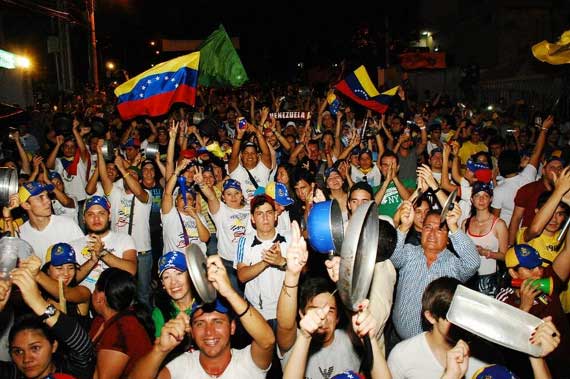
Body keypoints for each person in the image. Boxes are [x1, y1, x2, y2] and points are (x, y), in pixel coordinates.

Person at [128, 255, 275, 379]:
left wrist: (229, 292)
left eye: (217, 322)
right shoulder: (182, 366)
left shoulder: (247, 362)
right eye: (199, 324)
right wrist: (160, 350)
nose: (209, 331)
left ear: (232, 327)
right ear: (191, 330)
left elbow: (267, 340)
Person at [390, 200, 480, 340]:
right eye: (428, 227)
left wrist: (454, 227)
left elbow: (473, 263)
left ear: (449, 238)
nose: (432, 233)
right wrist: (404, 227)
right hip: (398, 340)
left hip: (436, 346)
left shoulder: (454, 265)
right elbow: (393, 257)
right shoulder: (408, 253)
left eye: (440, 229)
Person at [0, 262, 95, 379]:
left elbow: (83, 345)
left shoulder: (71, 370)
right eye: (18, 351)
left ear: (54, 346)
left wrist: (37, 302)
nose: (26, 359)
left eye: (35, 348)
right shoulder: (11, 374)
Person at [388, 277, 488, 379]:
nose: (462, 325)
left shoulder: (486, 354)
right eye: (452, 319)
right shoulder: (403, 356)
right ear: (431, 317)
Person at [496, 241, 570, 379]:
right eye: (530, 268)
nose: (538, 272)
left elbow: (568, 251)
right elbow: (507, 340)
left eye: (539, 266)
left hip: (565, 361)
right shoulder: (505, 298)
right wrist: (525, 307)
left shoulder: (549, 278)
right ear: (513, 272)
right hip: (536, 370)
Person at [97, 142, 153, 309]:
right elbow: (104, 176)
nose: (131, 178)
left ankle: (146, 327)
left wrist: (123, 169)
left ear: (140, 180)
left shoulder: (146, 195)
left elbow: (138, 191)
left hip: (142, 253)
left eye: (134, 176)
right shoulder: (115, 193)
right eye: (128, 176)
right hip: (119, 253)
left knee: (142, 293)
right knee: (118, 293)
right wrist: (99, 154)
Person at [89, 268, 154, 379]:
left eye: (94, 290)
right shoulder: (101, 319)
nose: (92, 294)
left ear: (100, 298)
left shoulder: (123, 329)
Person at [194, 169, 252, 293]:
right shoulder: (221, 211)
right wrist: (201, 184)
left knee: (250, 297)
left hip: (248, 261)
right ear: (223, 197)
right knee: (233, 298)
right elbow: (211, 196)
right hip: (228, 263)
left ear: (241, 195)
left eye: (236, 193)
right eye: (229, 194)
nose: (233, 197)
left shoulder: (250, 209)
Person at [236, 194, 289, 326]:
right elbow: (241, 276)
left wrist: (282, 262)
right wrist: (266, 262)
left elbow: (303, 270)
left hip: (286, 308)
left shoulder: (290, 237)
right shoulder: (244, 241)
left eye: (269, 213)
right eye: (259, 214)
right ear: (253, 219)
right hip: (256, 312)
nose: (265, 218)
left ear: (276, 215)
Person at [72, 196, 137, 292]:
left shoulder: (124, 239)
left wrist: (102, 253)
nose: (96, 218)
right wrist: (92, 261)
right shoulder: (74, 245)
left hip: (115, 300)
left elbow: (131, 270)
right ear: (83, 218)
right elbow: (72, 280)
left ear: (109, 216)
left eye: (101, 213)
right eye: (90, 214)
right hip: (85, 301)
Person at [16, 181, 84, 263]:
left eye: (47, 196)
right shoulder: (21, 235)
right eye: (41, 197)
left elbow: (83, 256)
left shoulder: (67, 225)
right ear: (26, 205)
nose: (48, 201)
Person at [463, 182, 508, 296]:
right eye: (478, 195)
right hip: (468, 278)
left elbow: (505, 256)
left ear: (491, 199)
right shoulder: (466, 223)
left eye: (486, 196)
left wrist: (486, 252)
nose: (481, 199)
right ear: (472, 199)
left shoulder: (499, 224)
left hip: (489, 279)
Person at [509, 154, 564, 245]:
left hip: (555, 243)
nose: (556, 171)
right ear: (543, 171)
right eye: (552, 168)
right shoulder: (528, 190)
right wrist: (511, 245)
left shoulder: (566, 194)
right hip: (530, 241)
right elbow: (516, 218)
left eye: (559, 168)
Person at [151, 251, 194, 365]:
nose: (174, 282)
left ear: (190, 275)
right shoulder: (160, 313)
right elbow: (158, 355)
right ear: (163, 284)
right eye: (166, 277)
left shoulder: (206, 306)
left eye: (178, 273)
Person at [161, 159, 210, 253]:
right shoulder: (170, 215)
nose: (186, 200)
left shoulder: (199, 217)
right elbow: (167, 193)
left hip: (195, 263)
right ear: (176, 201)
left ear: (194, 202)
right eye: (182, 198)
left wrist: (196, 217)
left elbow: (205, 238)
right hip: (175, 264)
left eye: (190, 198)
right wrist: (177, 171)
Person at [228, 118, 272, 203]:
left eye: (252, 153)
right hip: (241, 211)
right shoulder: (236, 170)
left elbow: (266, 154)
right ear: (241, 156)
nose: (249, 156)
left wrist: (257, 132)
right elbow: (233, 156)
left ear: (258, 156)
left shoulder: (263, 168)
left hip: (261, 210)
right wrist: (239, 135)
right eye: (246, 153)